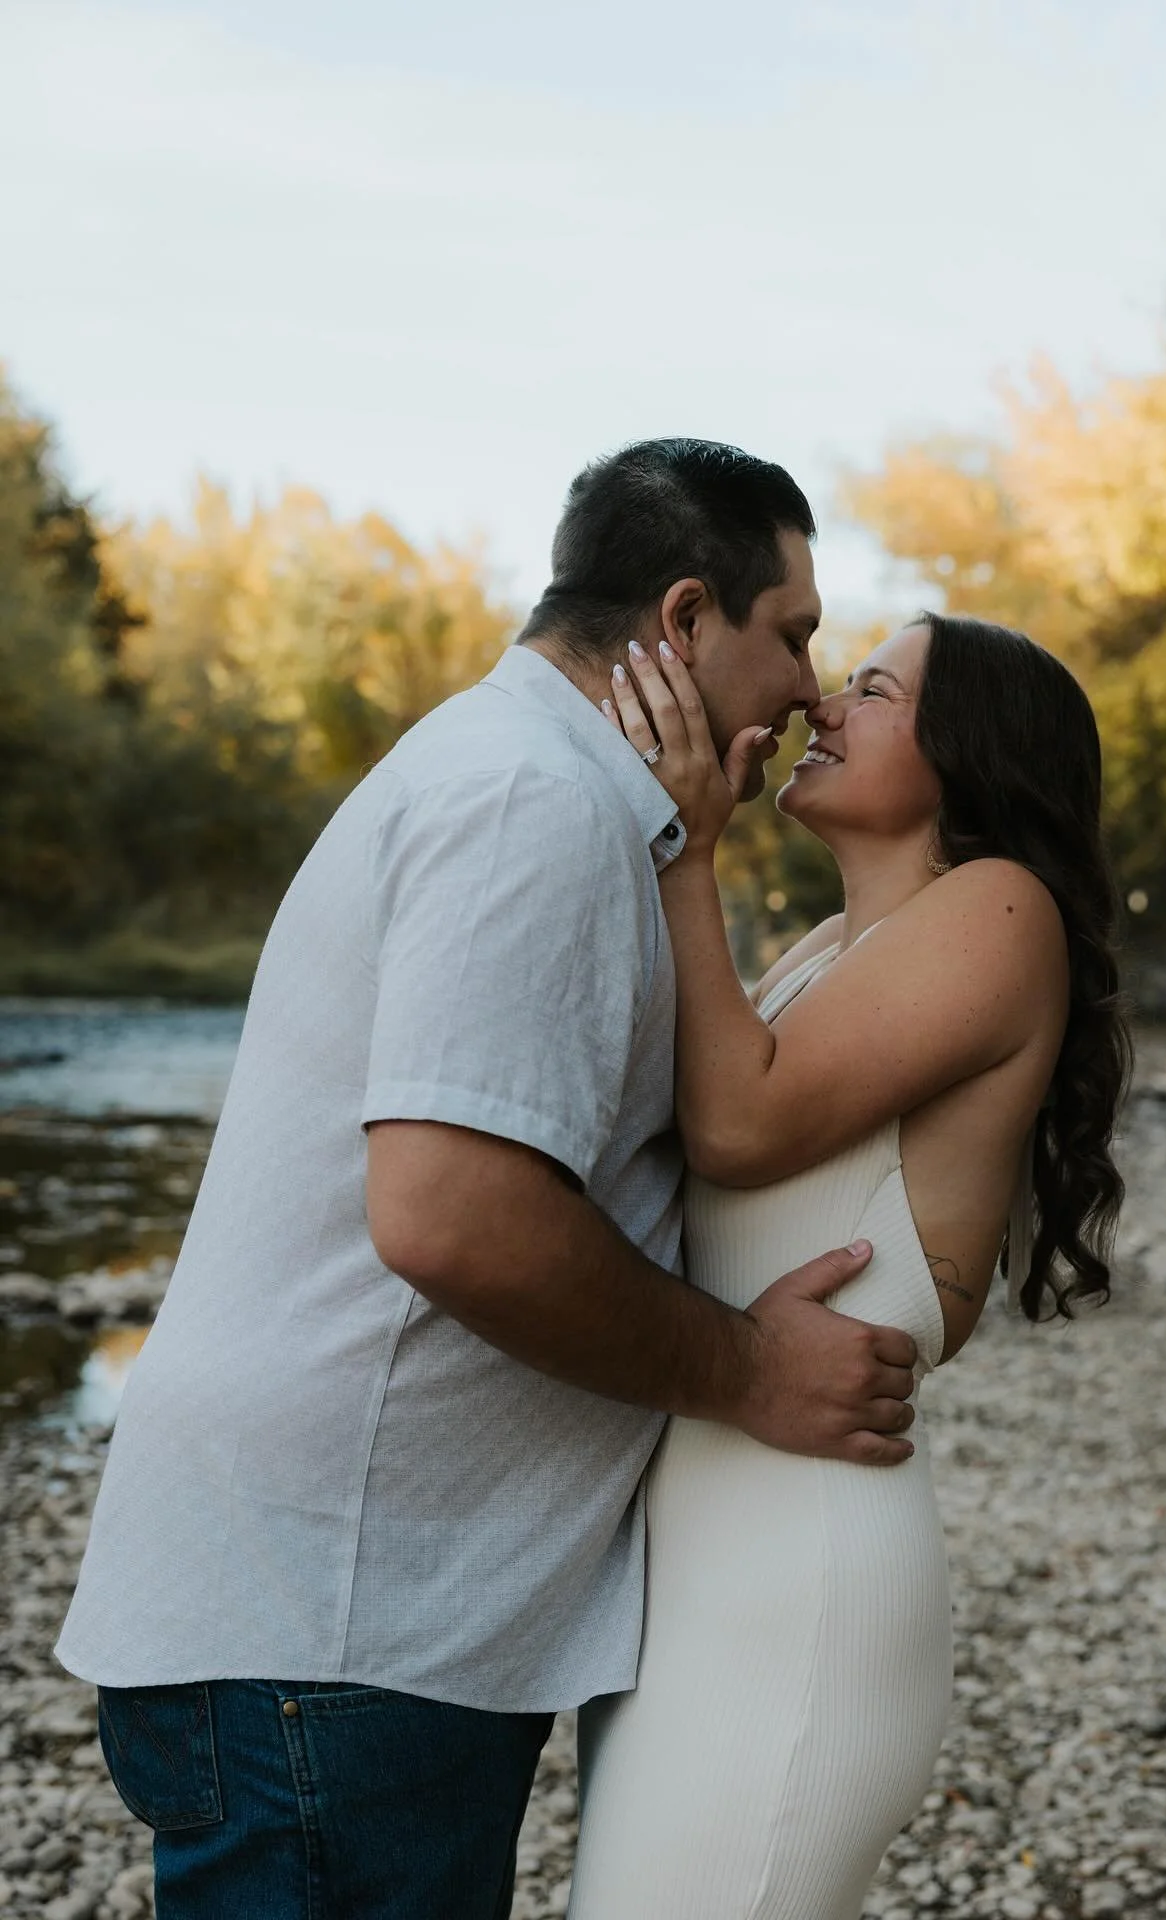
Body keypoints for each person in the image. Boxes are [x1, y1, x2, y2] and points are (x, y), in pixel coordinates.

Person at [55, 439, 923, 1920]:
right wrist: (748, 1373)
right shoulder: (535, 803)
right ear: (687, 617)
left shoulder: (547, 788)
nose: (806, 688)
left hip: (351, 1626)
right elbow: (455, 1218)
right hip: (332, 1632)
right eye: (793, 636)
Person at [569, 611, 1132, 1918]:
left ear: (966, 753)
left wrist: (688, 847)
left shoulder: (1001, 909)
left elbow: (739, 1123)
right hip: (705, 1567)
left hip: (800, 1580)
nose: (827, 702)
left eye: (872, 689)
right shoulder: (825, 950)